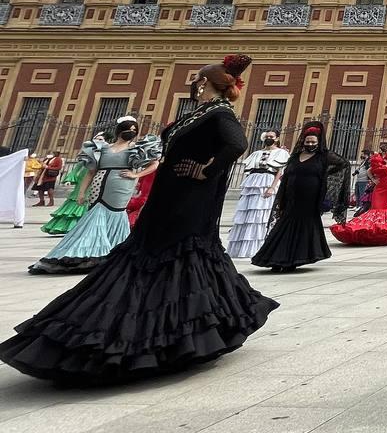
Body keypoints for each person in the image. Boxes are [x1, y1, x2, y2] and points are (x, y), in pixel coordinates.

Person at [0, 54, 277, 384]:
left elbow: (236, 144)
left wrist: (206, 171)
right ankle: (199, 327)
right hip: (169, 198)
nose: (192, 83)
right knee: (165, 256)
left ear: (204, 83)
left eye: (195, 79)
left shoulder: (219, 113)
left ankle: (179, 333)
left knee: (175, 255)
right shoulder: (199, 114)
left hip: (188, 202)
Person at [30, 117, 162, 274]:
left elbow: (154, 163)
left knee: (116, 216)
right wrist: (81, 192)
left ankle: (114, 253)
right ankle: (84, 254)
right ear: (119, 130)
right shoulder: (102, 148)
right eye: (128, 128)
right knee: (94, 215)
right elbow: (90, 172)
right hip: (98, 184)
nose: (131, 132)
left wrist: (136, 174)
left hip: (121, 187)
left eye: (134, 130)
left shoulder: (136, 149)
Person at [252, 122, 348, 272]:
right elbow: (287, 175)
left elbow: (344, 164)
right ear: (303, 141)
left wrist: (324, 175)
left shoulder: (323, 156)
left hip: (310, 201)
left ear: (318, 142)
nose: (310, 144)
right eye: (308, 141)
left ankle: (293, 260)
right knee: (283, 226)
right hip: (292, 198)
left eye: (313, 142)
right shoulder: (295, 156)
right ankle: (275, 258)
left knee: (302, 228)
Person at [331, 149, 387, 246]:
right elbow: (369, 170)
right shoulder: (380, 160)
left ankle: (383, 230)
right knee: (375, 208)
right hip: (379, 187)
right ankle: (374, 230)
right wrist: (373, 179)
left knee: (384, 209)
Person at [227, 132, 289, 259]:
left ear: (277, 138)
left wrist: (272, 187)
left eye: (271, 137)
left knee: (262, 214)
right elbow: (249, 171)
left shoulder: (281, 153)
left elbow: (280, 171)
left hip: (268, 181)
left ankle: (260, 246)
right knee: (247, 214)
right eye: (267, 137)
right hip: (253, 183)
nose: (269, 139)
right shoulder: (256, 153)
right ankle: (243, 248)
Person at [38, 153, 89, 235]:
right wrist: (70, 178)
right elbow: (77, 168)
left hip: (97, 179)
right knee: (78, 198)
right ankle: (67, 226)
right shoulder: (86, 156)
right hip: (83, 178)